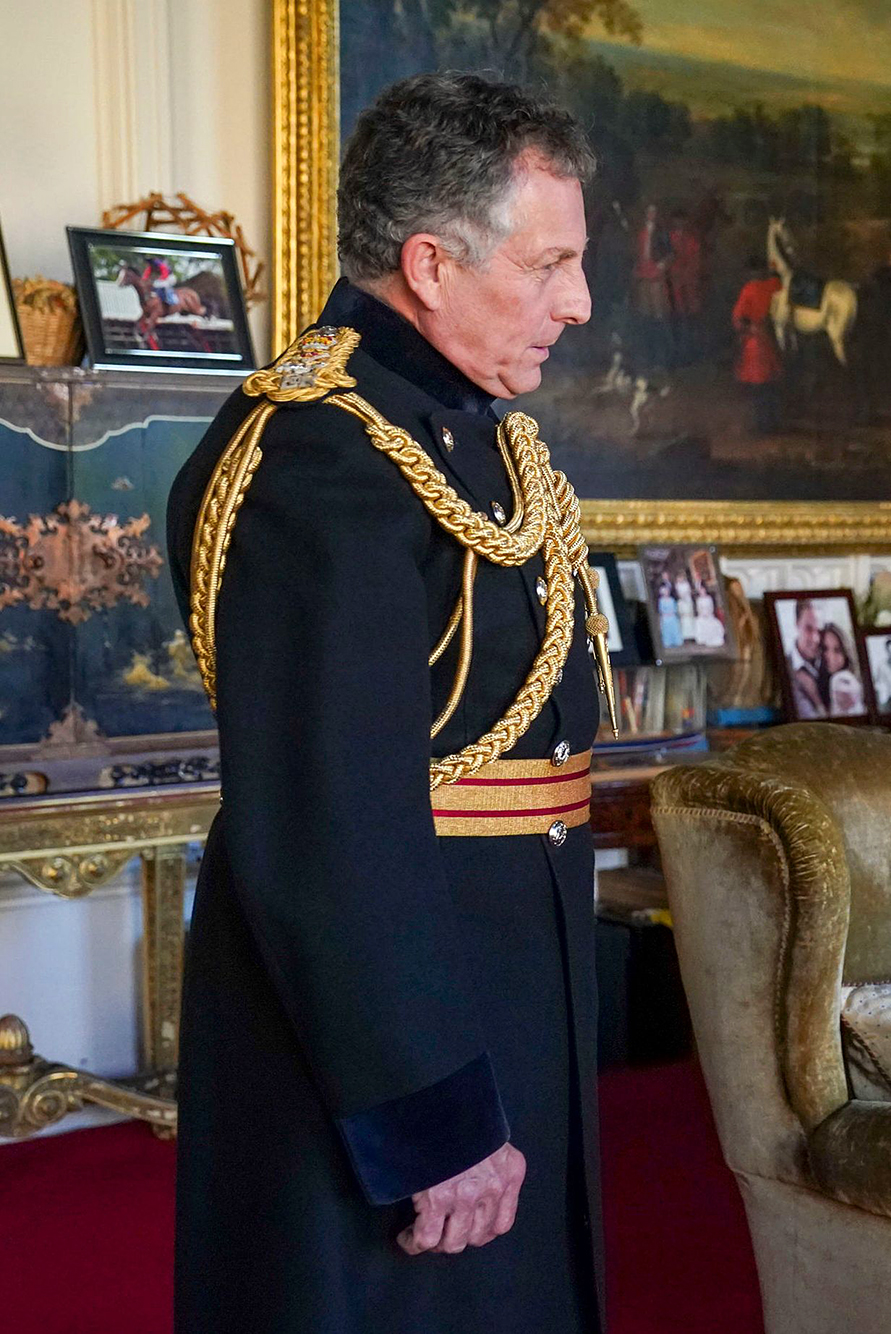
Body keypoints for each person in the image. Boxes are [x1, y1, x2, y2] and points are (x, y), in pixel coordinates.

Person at [164, 73, 607, 1334]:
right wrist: (432, 1112)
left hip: (500, 987)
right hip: (383, 1045)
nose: (578, 303)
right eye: (551, 264)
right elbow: (326, 820)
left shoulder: (475, 437)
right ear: (428, 262)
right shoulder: (317, 454)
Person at [731, 254, 784, 435]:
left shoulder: (749, 289)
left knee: (758, 388)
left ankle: (762, 426)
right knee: (771, 387)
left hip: (756, 344)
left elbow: (738, 318)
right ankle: (772, 424)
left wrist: (748, 329)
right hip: (774, 341)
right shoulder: (775, 286)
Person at [788, 601, 826, 718]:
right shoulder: (786, 666)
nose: (815, 639)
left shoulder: (829, 661)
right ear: (797, 624)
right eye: (808, 629)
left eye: (819, 630)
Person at [821, 625, 864, 716]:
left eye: (837, 650)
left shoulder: (841, 678)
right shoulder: (823, 680)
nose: (830, 656)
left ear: (846, 653)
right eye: (825, 648)